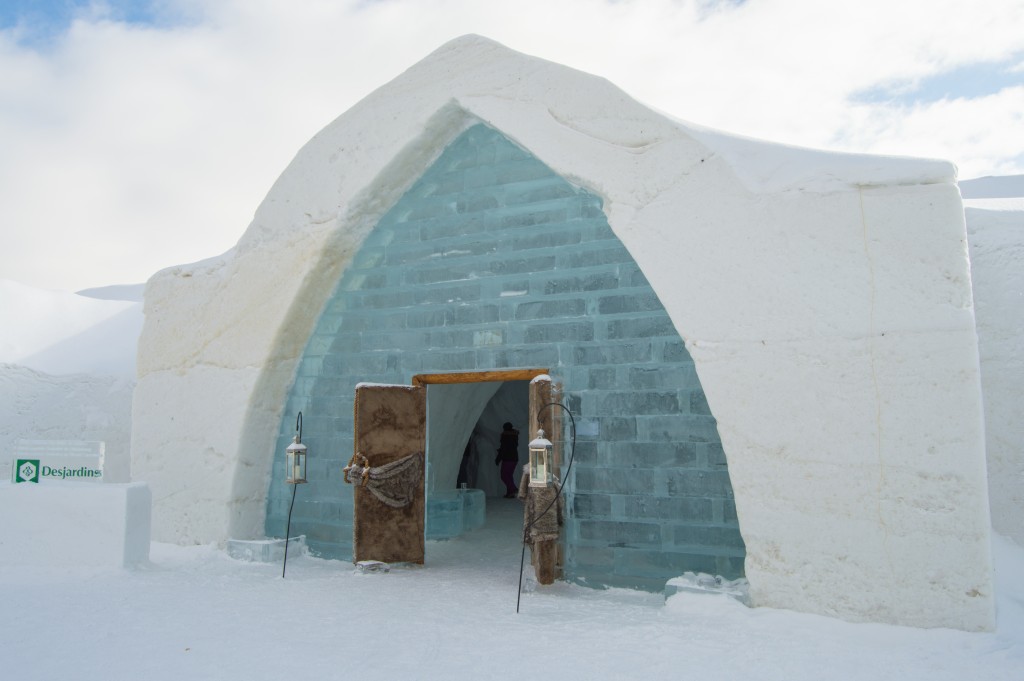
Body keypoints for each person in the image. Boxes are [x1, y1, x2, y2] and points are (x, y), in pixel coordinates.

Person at [494, 421, 519, 498]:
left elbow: (504, 448)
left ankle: (514, 489)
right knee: (509, 476)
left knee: (504, 476)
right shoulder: (514, 435)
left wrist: (498, 459)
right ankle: (510, 493)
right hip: (514, 458)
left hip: (508, 459)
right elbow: (510, 447)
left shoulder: (506, 436)